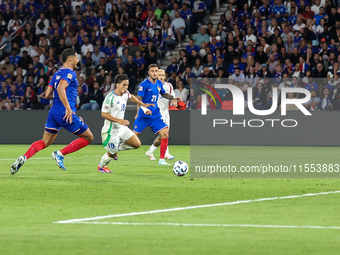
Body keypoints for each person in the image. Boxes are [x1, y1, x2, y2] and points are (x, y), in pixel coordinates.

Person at [10, 49, 94, 175]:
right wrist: (67, 107)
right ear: (70, 59)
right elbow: (60, 88)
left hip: (54, 112)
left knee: (45, 142)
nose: (78, 60)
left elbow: (48, 94)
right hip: (65, 113)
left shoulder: (57, 73)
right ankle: (60, 154)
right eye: (76, 57)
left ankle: (25, 157)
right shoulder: (70, 73)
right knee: (89, 137)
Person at [98, 74, 154, 173]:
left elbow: (131, 96)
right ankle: (101, 166)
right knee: (111, 153)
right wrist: (118, 120)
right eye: (124, 85)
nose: (126, 87)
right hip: (110, 130)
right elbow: (103, 114)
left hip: (121, 128)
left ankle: (116, 149)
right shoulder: (110, 97)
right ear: (117, 85)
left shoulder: (125, 93)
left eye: (127, 85)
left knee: (137, 144)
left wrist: (143, 105)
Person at [134, 64, 181, 166]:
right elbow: (139, 99)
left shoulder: (164, 85)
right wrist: (138, 112)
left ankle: (162, 158)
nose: (157, 75)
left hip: (159, 114)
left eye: (160, 73)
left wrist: (174, 98)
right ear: (149, 73)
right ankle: (116, 149)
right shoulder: (144, 84)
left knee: (165, 133)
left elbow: (164, 94)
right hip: (146, 114)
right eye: (154, 72)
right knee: (134, 139)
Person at [146, 69, 177, 161]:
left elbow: (172, 96)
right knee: (164, 134)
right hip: (157, 114)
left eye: (163, 75)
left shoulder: (169, 86)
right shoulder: (152, 86)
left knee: (163, 135)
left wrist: (174, 101)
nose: (161, 77)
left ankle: (150, 151)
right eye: (159, 75)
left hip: (166, 113)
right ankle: (166, 153)